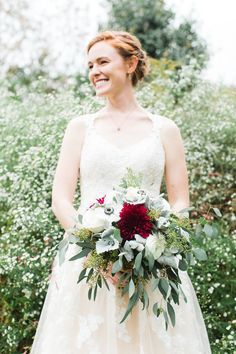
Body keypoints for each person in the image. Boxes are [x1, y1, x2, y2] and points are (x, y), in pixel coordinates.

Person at [30, 30, 212, 353]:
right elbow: (61, 199)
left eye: (103, 61)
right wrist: (93, 249)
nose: (94, 72)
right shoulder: (79, 128)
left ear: (130, 64)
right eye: (90, 65)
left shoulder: (165, 129)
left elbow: (180, 199)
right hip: (89, 269)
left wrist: (159, 242)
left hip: (152, 270)